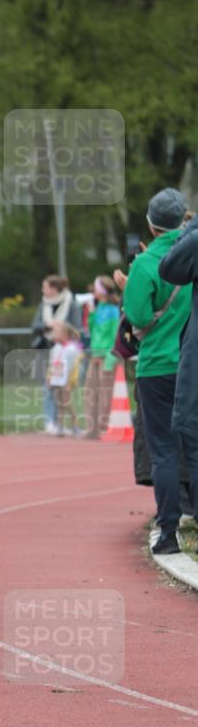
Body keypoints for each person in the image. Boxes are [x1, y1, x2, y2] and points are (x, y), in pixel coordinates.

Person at [120, 187, 193, 554]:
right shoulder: (192, 257)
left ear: (150, 225)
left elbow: (138, 316)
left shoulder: (145, 266)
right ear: (184, 220)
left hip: (156, 367)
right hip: (190, 363)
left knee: (163, 450)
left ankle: (168, 533)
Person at [158, 212, 198, 525]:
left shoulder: (194, 240)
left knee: (186, 438)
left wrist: (191, 228)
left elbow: (170, 268)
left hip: (166, 361)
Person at [31, 275, 82, 434]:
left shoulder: (71, 303)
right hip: (46, 349)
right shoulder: (43, 304)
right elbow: (35, 325)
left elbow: (77, 327)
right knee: (48, 386)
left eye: (45, 287)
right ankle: (50, 422)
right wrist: (47, 325)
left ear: (54, 289)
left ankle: (68, 425)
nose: (43, 290)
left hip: (65, 352)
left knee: (64, 392)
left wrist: (62, 328)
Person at [83, 276, 120, 438]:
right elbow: (93, 332)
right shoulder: (99, 308)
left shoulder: (113, 310)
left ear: (103, 291)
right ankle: (91, 428)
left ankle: (103, 429)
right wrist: (91, 315)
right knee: (90, 392)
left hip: (106, 358)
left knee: (105, 394)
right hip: (95, 356)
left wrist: (110, 361)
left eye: (96, 288)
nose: (93, 291)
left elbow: (115, 336)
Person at [47, 321, 83, 436]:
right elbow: (52, 364)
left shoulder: (71, 349)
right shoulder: (56, 348)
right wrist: (49, 377)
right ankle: (60, 427)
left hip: (66, 381)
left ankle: (76, 425)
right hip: (57, 379)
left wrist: (70, 382)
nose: (53, 335)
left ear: (64, 334)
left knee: (67, 403)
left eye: (56, 332)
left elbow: (73, 368)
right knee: (60, 403)